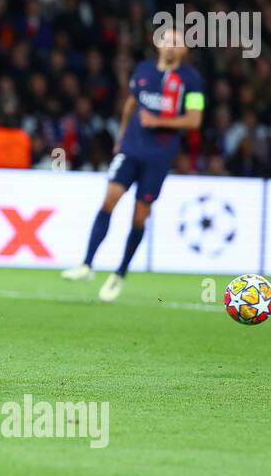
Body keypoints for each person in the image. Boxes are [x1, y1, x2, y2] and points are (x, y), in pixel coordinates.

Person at [61, 29, 204, 301]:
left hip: (159, 157)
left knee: (139, 216)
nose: (171, 46)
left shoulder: (192, 80)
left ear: (185, 49)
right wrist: (121, 136)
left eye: (177, 42)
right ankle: (87, 264)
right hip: (130, 149)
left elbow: (194, 120)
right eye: (167, 41)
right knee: (109, 200)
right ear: (158, 44)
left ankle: (120, 274)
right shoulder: (143, 69)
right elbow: (130, 104)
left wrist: (158, 121)